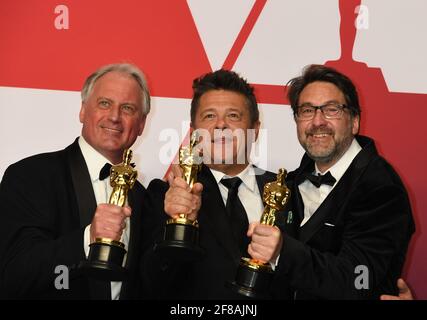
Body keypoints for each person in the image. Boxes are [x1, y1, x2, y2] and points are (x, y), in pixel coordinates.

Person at [260, 64, 414, 299]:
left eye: (331, 110)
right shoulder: (287, 184)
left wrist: (283, 252)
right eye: (307, 110)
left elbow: (359, 279)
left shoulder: (381, 186)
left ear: (354, 121)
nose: (317, 121)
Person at [0, 63, 150, 299]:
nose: (114, 117)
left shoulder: (143, 197)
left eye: (128, 108)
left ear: (141, 124)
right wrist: (87, 238)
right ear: (82, 110)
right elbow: (13, 275)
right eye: (104, 103)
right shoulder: (30, 176)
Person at [140, 69, 286, 299]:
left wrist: (280, 254)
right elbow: (149, 284)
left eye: (234, 116)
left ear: (255, 130)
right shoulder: (165, 194)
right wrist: (175, 228)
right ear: (193, 132)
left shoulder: (287, 192)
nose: (220, 125)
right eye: (209, 116)